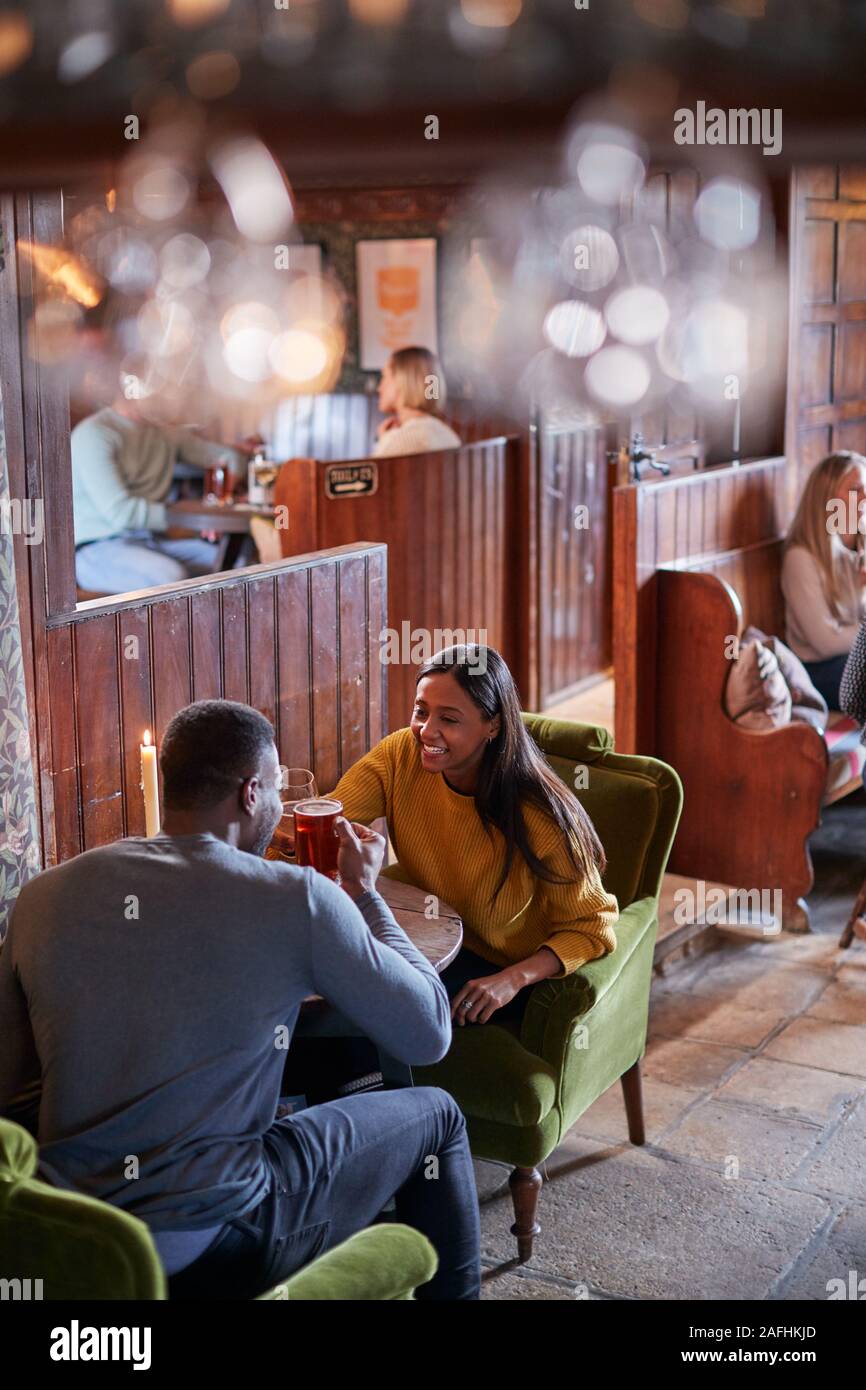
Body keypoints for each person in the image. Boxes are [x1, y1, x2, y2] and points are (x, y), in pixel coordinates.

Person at [0, 699, 479, 1300]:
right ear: (252, 793)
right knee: (438, 1113)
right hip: (212, 1245)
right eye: (277, 789)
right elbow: (429, 1033)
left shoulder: (43, 896)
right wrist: (364, 893)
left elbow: (9, 1083)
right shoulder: (296, 897)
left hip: (69, 1240)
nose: (280, 808)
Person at [332, 645, 618, 1028]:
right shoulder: (400, 754)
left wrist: (512, 979)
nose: (426, 731)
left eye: (449, 719)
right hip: (430, 936)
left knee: (370, 1006)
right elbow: (330, 821)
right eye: (421, 711)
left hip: (496, 969)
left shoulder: (539, 816)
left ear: (493, 726)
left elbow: (593, 924)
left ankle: (382, 1087)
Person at [71, 386, 251, 594]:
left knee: (241, 565)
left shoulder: (166, 433)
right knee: (171, 578)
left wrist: (219, 501)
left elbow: (232, 458)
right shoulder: (95, 434)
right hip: (97, 550)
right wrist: (194, 519)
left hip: (151, 542)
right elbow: (122, 513)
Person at [781, 451, 866, 708]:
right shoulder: (801, 558)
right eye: (856, 489)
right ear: (827, 498)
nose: (864, 498)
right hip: (819, 669)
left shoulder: (857, 546)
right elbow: (825, 641)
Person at [373, 346, 463, 457]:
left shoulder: (402, 441)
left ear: (401, 380)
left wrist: (384, 442)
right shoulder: (449, 436)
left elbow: (378, 471)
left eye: (384, 377)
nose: (379, 387)